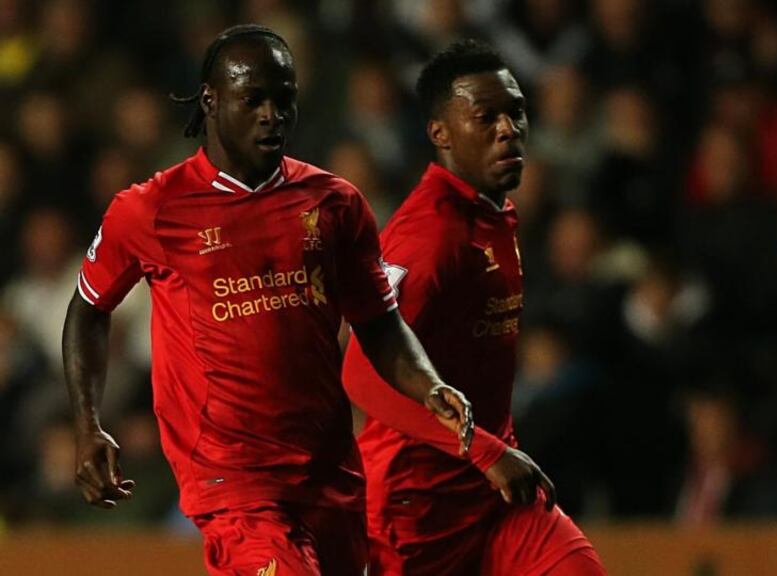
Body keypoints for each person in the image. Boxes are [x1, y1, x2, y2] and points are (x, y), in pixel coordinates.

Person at [61, 25, 473, 576]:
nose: (271, 114)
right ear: (210, 100)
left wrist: (429, 385)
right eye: (253, 98)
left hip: (330, 476)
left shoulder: (335, 204)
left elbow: (379, 322)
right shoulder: (151, 209)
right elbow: (89, 307)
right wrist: (88, 423)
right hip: (234, 485)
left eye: (284, 99)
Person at [343, 40, 606, 576]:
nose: (508, 129)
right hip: (417, 508)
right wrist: (482, 449)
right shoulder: (430, 234)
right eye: (486, 117)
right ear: (439, 133)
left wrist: (491, 453)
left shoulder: (493, 215)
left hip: (496, 494)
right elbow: (361, 370)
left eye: (516, 112)